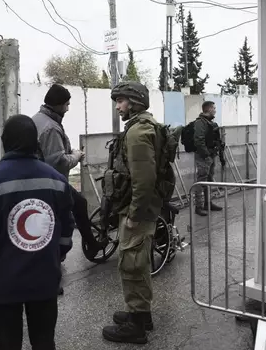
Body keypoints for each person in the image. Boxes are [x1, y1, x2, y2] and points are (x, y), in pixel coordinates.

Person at [0, 114, 74, 350]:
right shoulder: (56, 180)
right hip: (45, 279)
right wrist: (55, 257)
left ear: (5, 141)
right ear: (35, 141)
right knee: (45, 341)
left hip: (3, 285)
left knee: (7, 343)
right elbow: (66, 232)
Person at [101, 82, 165, 345]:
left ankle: (136, 326)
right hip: (137, 206)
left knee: (132, 264)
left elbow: (144, 179)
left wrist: (135, 214)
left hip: (137, 209)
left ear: (135, 102)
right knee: (137, 261)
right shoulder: (142, 126)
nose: (118, 106)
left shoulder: (138, 132)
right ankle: (141, 313)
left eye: (121, 101)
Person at [32, 84, 106, 264]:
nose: (68, 108)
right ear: (58, 104)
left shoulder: (39, 118)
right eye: (66, 104)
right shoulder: (51, 127)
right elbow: (58, 163)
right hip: (50, 180)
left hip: (39, 177)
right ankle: (89, 244)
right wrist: (76, 156)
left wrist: (68, 151)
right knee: (78, 205)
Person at [192, 101, 225, 217]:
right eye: (214, 108)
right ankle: (198, 206)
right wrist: (206, 155)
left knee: (209, 180)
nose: (215, 110)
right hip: (204, 156)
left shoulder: (210, 123)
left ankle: (208, 203)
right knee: (201, 181)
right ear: (209, 109)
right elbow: (199, 141)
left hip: (210, 155)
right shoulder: (200, 123)